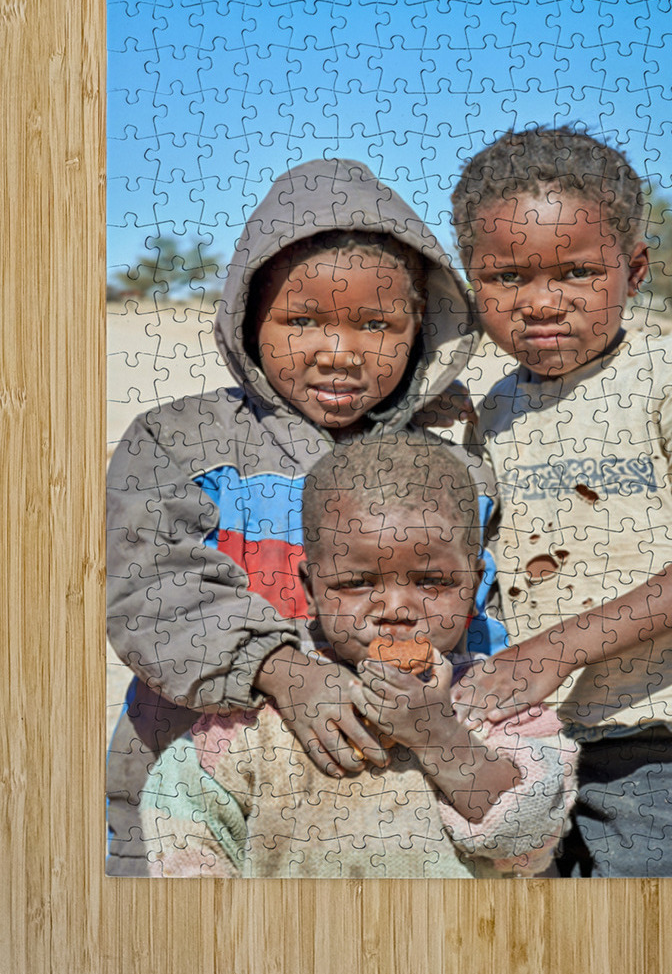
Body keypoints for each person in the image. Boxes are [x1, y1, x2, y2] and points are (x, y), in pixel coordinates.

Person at [106, 159, 504, 875]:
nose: (339, 352)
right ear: (247, 317)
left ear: (422, 328)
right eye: (302, 321)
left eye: (377, 325)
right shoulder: (178, 442)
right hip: (186, 815)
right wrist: (284, 671)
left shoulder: (456, 467)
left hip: (396, 825)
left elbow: (482, 627)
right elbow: (153, 594)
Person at [450, 126, 672, 878]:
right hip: (540, 731)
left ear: (632, 270)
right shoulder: (494, 407)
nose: (541, 303)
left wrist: (554, 649)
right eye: (505, 279)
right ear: (472, 282)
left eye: (577, 274)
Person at [140, 433, 577, 878]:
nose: (395, 609)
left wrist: (439, 736)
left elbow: (528, 841)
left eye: (433, 582)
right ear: (311, 588)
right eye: (356, 583)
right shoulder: (257, 715)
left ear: (474, 582)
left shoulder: (498, 703)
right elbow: (183, 826)